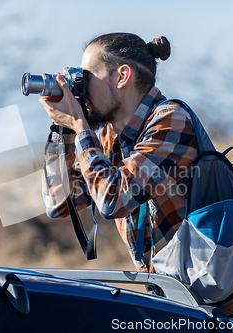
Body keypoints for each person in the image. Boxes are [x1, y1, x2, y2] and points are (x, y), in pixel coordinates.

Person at [40, 32, 198, 274]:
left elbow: (113, 200)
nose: (80, 87)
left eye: (87, 76)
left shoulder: (171, 120)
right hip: (168, 297)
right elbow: (59, 203)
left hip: (216, 305)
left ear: (122, 76)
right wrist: (65, 128)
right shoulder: (108, 138)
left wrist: (80, 125)